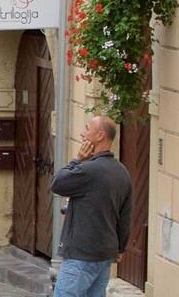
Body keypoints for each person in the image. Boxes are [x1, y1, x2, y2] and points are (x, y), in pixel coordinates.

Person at [49, 115, 133, 297]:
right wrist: (119, 248)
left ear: (100, 135)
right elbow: (125, 215)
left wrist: (77, 159)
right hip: (104, 255)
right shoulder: (122, 172)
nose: (82, 133)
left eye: (87, 129)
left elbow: (57, 183)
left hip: (81, 254)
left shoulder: (88, 170)